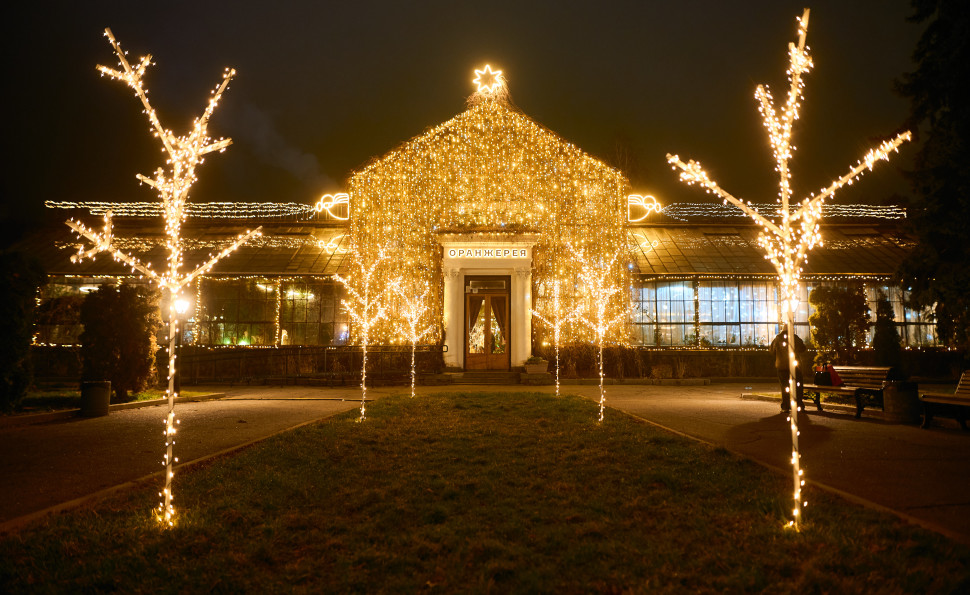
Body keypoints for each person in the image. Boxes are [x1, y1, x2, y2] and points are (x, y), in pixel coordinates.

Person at [770, 328, 807, 413]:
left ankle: (786, 407)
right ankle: (799, 405)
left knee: (785, 387)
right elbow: (803, 348)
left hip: (782, 366)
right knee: (797, 386)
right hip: (794, 366)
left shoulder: (777, 338)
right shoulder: (795, 337)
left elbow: (772, 351)